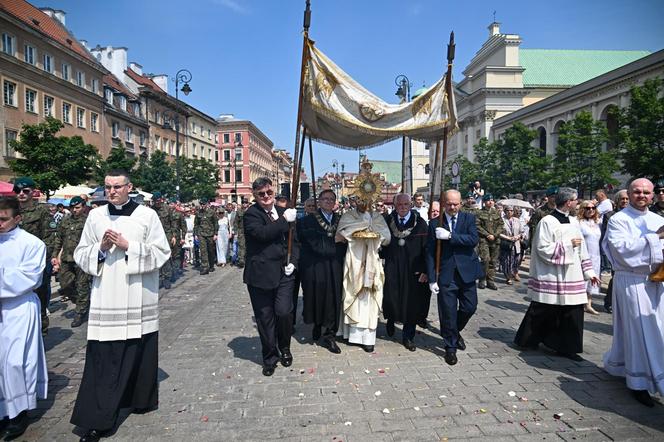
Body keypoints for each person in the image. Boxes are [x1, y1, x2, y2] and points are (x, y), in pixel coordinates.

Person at [70, 169, 170, 441]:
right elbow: (81, 253)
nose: (111, 192)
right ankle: (99, 418)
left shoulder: (147, 215)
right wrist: (100, 249)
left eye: (117, 187)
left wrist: (129, 246)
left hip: (138, 294)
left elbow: (162, 252)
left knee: (137, 347)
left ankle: (138, 399)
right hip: (108, 296)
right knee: (106, 358)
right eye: (107, 187)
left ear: (130, 187)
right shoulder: (95, 216)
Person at [514, 187, 600, 361]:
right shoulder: (547, 221)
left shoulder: (575, 221)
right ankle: (529, 340)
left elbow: (582, 248)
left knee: (572, 311)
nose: (578, 203)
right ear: (568, 202)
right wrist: (568, 245)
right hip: (552, 274)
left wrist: (589, 271)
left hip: (572, 274)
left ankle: (567, 348)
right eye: (576, 200)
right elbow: (541, 248)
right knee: (544, 309)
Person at [602, 178, 664, 407]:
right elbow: (621, 251)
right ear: (629, 193)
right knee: (637, 333)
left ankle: (650, 372)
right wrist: (655, 238)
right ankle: (638, 383)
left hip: (656, 282)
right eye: (637, 192)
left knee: (658, 331)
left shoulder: (658, 219)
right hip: (631, 282)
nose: (642, 196)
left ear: (652, 195)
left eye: (647, 192)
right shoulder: (619, 219)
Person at [0, 196, 48, 440]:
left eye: (3, 219)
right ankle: (2, 412)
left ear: (17, 218)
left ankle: (18, 413)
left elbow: (29, 277)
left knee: (15, 362)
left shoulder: (32, 244)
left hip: (18, 307)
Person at [243, 178, 299, 376]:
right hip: (261, 275)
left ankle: (284, 347)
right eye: (261, 194)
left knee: (284, 312)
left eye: (269, 192)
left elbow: (296, 241)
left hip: (285, 273)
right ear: (255, 196)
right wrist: (285, 221)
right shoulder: (251, 215)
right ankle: (269, 356)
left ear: (273, 192)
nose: (266, 197)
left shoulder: (285, 212)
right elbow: (263, 234)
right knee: (265, 318)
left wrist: (294, 262)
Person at [427, 189, 482, 365]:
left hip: (466, 272)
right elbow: (429, 253)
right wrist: (431, 278)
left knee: (469, 307)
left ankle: (453, 331)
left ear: (461, 203)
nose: (452, 207)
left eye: (456, 204)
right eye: (449, 204)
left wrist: (450, 236)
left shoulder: (468, 219)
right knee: (448, 312)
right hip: (446, 274)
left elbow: (473, 240)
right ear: (443, 203)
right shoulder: (435, 223)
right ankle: (450, 347)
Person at [337, 184, 390, 353]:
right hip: (355, 260)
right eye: (359, 199)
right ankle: (350, 334)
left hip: (372, 261)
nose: (363, 202)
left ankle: (368, 337)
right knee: (353, 292)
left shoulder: (378, 217)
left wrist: (374, 232)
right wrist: (362, 226)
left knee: (370, 296)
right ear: (354, 200)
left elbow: (387, 237)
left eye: (366, 199)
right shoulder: (348, 215)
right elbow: (342, 232)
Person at [298, 189, 347, 354]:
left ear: (335, 203)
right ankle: (317, 324)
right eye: (325, 199)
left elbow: (347, 244)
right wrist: (335, 241)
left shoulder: (341, 220)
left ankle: (330, 335)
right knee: (316, 297)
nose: (328, 201)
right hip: (315, 267)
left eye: (331, 199)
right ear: (319, 201)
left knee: (334, 299)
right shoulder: (307, 221)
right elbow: (314, 245)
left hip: (335, 266)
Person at [381, 193, 429, 351]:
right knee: (391, 297)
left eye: (405, 205)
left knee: (412, 303)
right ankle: (390, 319)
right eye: (399, 205)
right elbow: (380, 243)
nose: (402, 208)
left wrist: (424, 269)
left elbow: (426, 249)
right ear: (395, 205)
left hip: (412, 269)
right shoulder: (387, 221)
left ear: (411, 205)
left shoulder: (420, 223)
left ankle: (408, 336)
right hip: (392, 266)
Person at [13, 177, 52, 335]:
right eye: (18, 191)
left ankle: (41, 327)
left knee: (39, 296)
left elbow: (48, 237)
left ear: (33, 192)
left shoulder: (41, 211)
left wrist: (44, 261)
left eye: (25, 191)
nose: (21, 194)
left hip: (36, 262)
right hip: (15, 262)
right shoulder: (11, 210)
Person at [51, 196, 92, 327]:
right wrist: (55, 255)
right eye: (72, 208)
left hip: (82, 259)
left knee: (82, 286)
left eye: (77, 207)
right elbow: (59, 239)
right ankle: (83, 302)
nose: (74, 210)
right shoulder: (65, 220)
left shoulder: (88, 221)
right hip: (67, 258)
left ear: (84, 207)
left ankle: (80, 312)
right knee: (65, 286)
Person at [600, 190, 629, 313]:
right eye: (622, 199)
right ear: (617, 201)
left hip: (630, 251)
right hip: (615, 251)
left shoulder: (632, 214)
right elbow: (607, 236)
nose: (625, 201)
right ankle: (610, 302)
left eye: (627, 199)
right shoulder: (610, 215)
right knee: (615, 276)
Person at [577, 200, 602, 315]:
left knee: (593, 278)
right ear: (583, 209)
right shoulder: (579, 223)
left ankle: (588, 304)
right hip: (584, 255)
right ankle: (578, 303)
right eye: (588, 208)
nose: (591, 210)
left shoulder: (597, 222)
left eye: (593, 208)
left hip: (596, 255)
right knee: (583, 279)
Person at [477, 194, 503, 290]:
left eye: (492, 200)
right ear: (484, 202)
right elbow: (477, 226)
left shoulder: (497, 212)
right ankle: (482, 279)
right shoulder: (480, 213)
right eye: (488, 200)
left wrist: (495, 235)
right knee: (485, 260)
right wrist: (487, 235)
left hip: (495, 240)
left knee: (493, 261)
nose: (490, 202)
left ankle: (490, 280)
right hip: (484, 240)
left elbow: (501, 225)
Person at [152, 192, 176, 289]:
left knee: (166, 256)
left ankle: (167, 278)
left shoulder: (167, 209)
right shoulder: (151, 210)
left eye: (158, 200)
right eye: (155, 201)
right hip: (155, 235)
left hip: (167, 234)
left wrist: (174, 236)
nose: (156, 202)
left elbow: (173, 223)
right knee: (156, 256)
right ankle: (159, 278)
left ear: (161, 199)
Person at [498, 206, 523, 285]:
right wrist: (508, 238)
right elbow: (498, 232)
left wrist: (518, 236)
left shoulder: (517, 220)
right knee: (507, 261)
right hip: (506, 243)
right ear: (505, 211)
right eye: (508, 210)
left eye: (511, 210)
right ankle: (508, 277)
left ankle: (515, 273)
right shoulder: (501, 220)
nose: (509, 212)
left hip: (516, 243)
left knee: (516, 260)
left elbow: (522, 231)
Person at [194, 198, 217, 275]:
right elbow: (196, 224)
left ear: (207, 204)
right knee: (203, 251)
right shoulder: (198, 213)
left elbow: (215, 223)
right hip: (201, 234)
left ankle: (211, 265)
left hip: (210, 234)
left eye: (204, 204)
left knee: (210, 250)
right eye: (201, 204)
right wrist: (196, 234)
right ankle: (205, 267)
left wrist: (215, 234)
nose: (202, 206)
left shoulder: (212, 212)